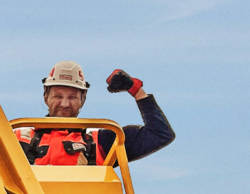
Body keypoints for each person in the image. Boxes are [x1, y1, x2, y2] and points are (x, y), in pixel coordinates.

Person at [15, 60, 175, 166]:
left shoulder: (101, 142)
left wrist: (137, 91)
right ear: (46, 97)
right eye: (58, 96)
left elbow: (160, 135)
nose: (64, 104)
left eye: (72, 97)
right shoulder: (18, 137)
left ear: (82, 99)